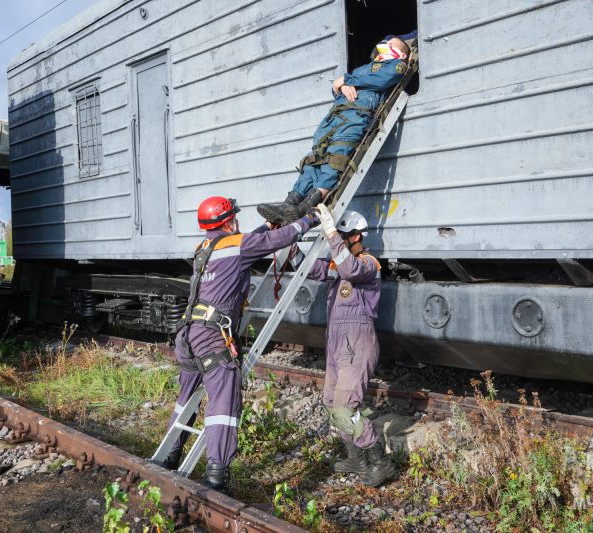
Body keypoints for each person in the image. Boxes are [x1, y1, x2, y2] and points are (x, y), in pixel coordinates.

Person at [162, 196, 316, 495]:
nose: (237, 221)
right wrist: (308, 220)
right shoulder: (237, 245)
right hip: (211, 339)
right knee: (222, 404)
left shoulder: (203, 250)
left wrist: (266, 225)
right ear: (228, 221)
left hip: (188, 335)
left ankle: (169, 457)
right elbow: (277, 239)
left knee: (185, 401)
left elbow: (246, 242)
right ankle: (216, 480)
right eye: (235, 217)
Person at [257, 35, 413, 227]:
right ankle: (289, 203)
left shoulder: (396, 66)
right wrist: (341, 85)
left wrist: (346, 80)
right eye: (385, 43)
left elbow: (381, 81)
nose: (386, 46)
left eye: (392, 45)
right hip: (333, 118)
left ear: (403, 54)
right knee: (315, 158)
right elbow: (339, 89)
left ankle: (307, 206)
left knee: (335, 159)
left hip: (356, 117)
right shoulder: (365, 68)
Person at [306, 203, 394, 487]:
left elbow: (349, 268)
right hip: (336, 343)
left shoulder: (369, 264)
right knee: (333, 403)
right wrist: (286, 238)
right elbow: (302, 266)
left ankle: (381, 463)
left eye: (341, 237)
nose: (336, 244)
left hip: (357, 342)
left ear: (355, 237)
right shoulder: (336, 265)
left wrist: (330, 229)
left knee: (346, 406)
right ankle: (356, 459)